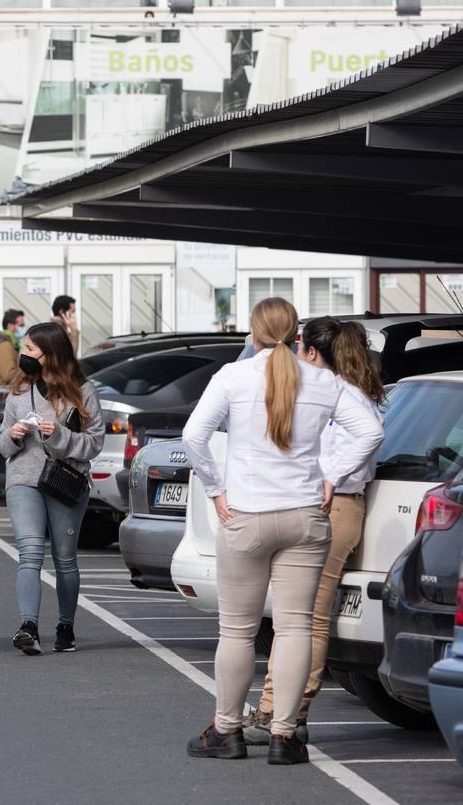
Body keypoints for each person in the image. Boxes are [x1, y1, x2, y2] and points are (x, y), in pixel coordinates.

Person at [182, 298, 383, 766]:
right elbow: (370, 432)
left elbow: (194, 436)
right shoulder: (323, 380)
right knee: (295, 627)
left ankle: (226, 730)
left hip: (246, 515)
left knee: (236, 630)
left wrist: (215, 489)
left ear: (252, 335)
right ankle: (284, 736)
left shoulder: (232, 378)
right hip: (305, 516)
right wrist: (331, 475)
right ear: (298, 337)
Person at [243, 318, 386, 744]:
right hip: (325, 504)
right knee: (298, 616)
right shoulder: (336, 389)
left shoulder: (344, 392)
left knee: (306, 618)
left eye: (299, 345)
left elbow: (369, 437)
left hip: (336, 506)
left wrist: (332, 477)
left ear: (310, 352)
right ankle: (278, 709)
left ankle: (284, 712)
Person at [0, 321, 105, 655]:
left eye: (30, 349)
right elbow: (1, 444)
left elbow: (95, 442)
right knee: (29, 552)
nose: (23, 355)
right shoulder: (17, 390)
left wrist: (58, 434)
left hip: (65, 482)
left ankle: (65, 626)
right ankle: (28, 626)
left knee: (65, 559)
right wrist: (12, 436)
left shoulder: (83, 391)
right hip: (24, 480)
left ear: (51, 353)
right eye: (23, 348)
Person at [0, 308, 25, 388]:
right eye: (21, 325)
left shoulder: (9, 343)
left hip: (0, 395)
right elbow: (9, 375)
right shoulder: (5, 346)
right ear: (10, 326)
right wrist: (28, 376)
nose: (24, 328)